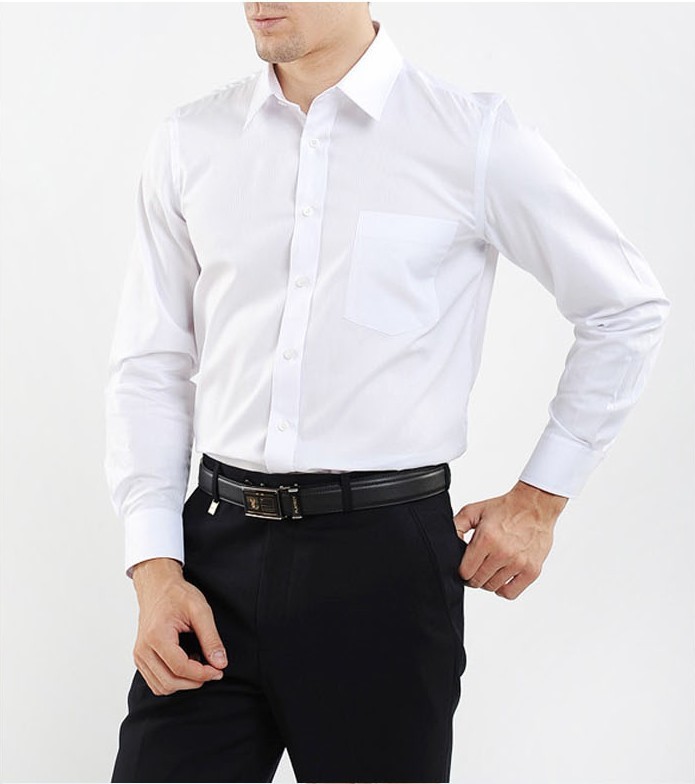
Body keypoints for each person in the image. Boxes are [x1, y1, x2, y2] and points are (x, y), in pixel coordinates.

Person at [104, 3, 670, 782]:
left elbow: (624, 307)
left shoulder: (470, 137)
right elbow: (151, 364)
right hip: (211, 557)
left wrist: (539, 501)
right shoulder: (191, 140)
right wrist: (154, 567)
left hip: (379, 569)